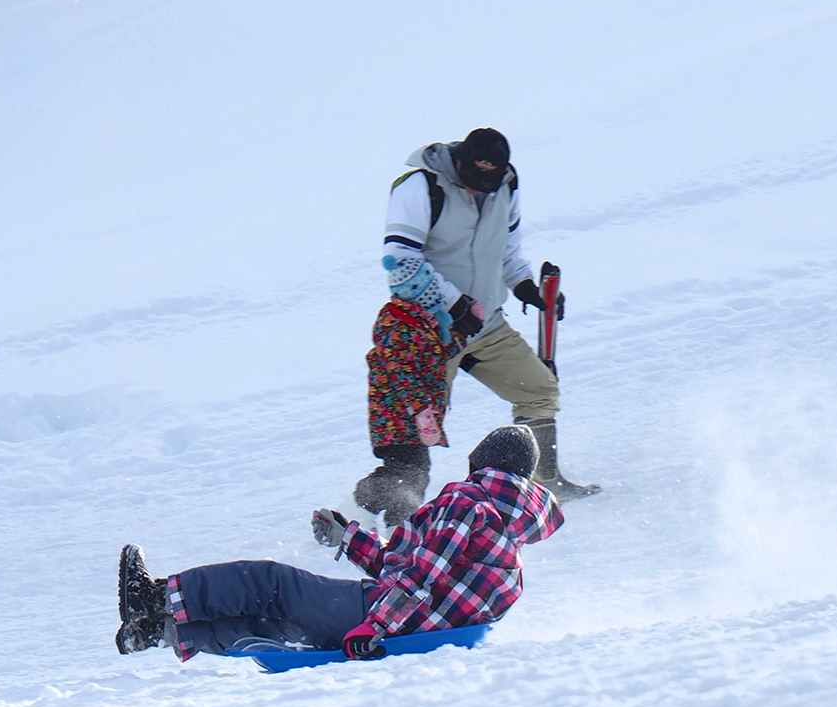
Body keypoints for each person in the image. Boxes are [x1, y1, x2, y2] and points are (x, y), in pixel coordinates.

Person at [117, 426, 563, 660]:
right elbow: (409, 567)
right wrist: (348, 538)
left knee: (273, 586)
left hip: (384, 620)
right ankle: (157, 632)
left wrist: (378, 625)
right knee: (278, 625)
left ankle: (154, 597)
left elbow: (422, 577)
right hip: (406, 626)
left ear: (485, 462)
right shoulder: (509, 551)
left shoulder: (470, 502)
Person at [353, 128, 597, 527]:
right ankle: (366, 519)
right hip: (425, 334)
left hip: (485, 327)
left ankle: (542, 484)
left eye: (490, 182)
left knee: (538, 390)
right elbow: (399, 262)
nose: (482, 190)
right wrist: (454, 303)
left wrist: (525, 286)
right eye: (474, 180)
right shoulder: (420, 187)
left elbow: (505, 249)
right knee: (413, 439)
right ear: (459, 163)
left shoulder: (506, 185)